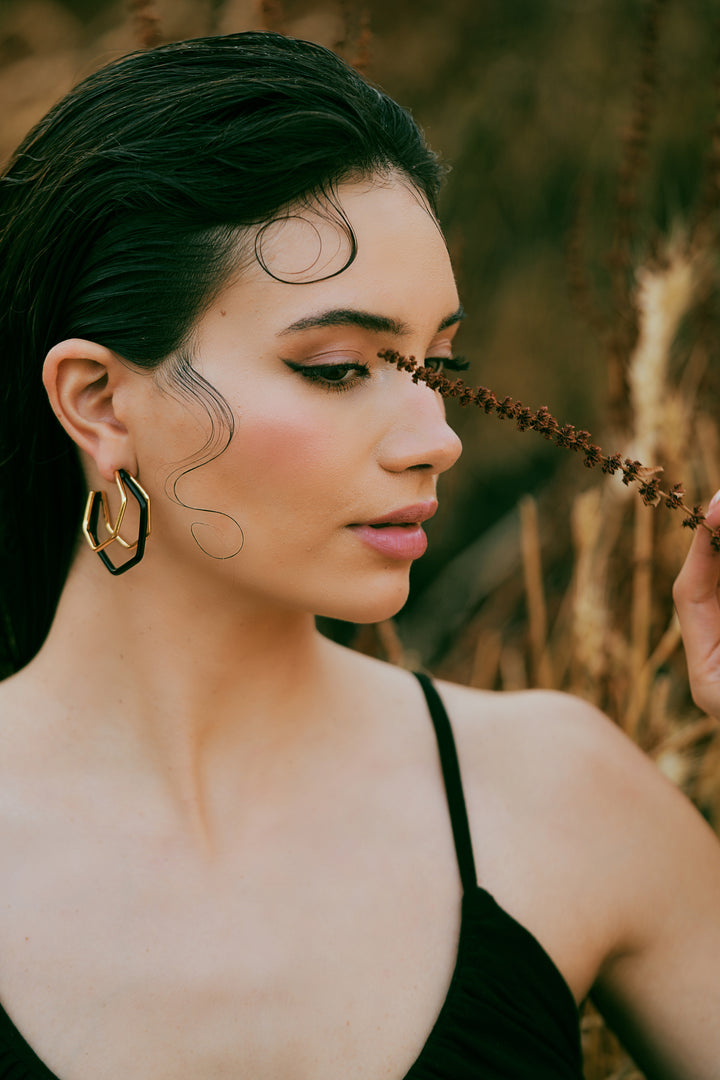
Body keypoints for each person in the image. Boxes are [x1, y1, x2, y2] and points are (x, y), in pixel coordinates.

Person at [0, 31, 718, 1080]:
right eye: (338, 368)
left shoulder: (559, 798)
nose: (437, 435)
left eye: (439, 365)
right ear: (100, 403)